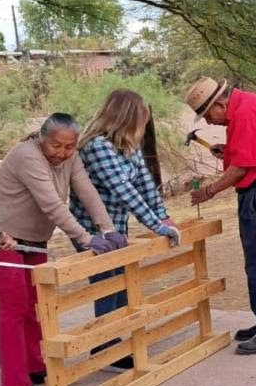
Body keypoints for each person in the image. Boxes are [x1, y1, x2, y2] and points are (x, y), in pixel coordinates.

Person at [0, 113, 124, 386]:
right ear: (41, 138)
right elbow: (52, 204)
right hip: (3, 238)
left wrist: (107, 228)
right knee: (15, 308)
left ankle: (35, 367)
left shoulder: (70, 159)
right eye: (55, 146)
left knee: (36, 303)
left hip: (35, 239)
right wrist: (88, 239)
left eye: (69, 147)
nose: (62, 153)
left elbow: (86, 191)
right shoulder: (27, 156)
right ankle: (14, 383)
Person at [73, 89, 180, 369]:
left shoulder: (126, 146)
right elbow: (124, 192)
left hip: (117, 228)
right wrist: (156, 225)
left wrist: (164, 216)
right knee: (107, 284)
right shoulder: (97, 146)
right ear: (127, 119)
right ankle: (104, 346)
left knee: (120, 282)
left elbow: (145, 184)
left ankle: (112, 341)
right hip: (93, 230)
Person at [185, 76, 256, 354]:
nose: (208, 122)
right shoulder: (243, 109)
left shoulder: (245, 112)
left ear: (219, 103)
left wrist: (209, 191)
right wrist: (228, 151)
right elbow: (246, 152)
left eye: (208, 115)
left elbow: (243, 166)